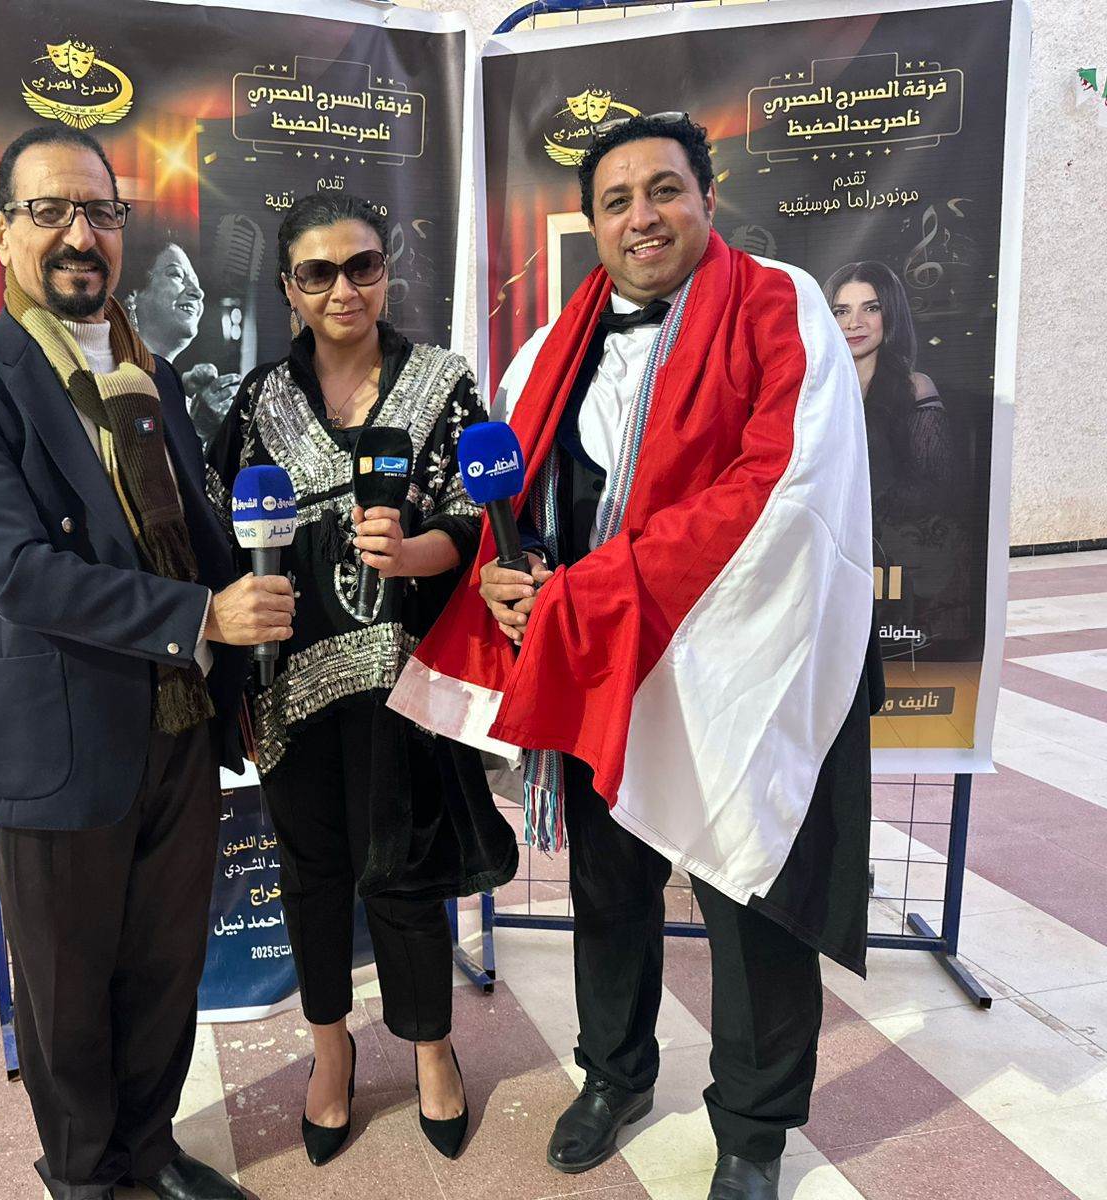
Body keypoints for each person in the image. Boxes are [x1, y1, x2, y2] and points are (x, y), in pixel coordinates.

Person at [388, 116, 881, 1200]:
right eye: (617, 201)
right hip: (604, 669)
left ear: (707, 198)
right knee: (609, 890)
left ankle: (752, 1131)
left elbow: (781, 490)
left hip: (743, 667)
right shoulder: (547, 348)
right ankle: (614, 1075)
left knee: (749, 899)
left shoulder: (781, 304)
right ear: (593, 224)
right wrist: (509, 580)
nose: (642, 216)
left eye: (664, 190)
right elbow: (516, 511)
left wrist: (589, 593)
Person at [0, 125, 295, 1200]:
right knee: (67, 994)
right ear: (2, 233)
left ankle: (150, 1151)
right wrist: (202, 615)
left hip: (178, 728)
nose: (80, 235)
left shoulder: (146, 375)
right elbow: (17, 573)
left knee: (165, 972)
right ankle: (85, 1178)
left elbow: (192, 532)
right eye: (50, 211)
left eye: (101, 213)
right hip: (62, 742)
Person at [206, 191, 517, 1167]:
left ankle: (430, 1049)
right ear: (288, 288)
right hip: (288, 686)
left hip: (404, 679)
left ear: (386, 272)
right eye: (318, 272)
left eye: (363, 266)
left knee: (404, 870)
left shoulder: (441, 383)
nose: (344, 289)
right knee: (311, 874)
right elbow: (218, 530)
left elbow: (473, 521)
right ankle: (330, 1051)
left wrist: (415, 553)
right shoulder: (260, 402)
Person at [826, 260, 972, 651]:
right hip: (826, 552)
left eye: (871, 308)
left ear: (890, 314)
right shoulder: (812, 389)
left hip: (897, 563)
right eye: (841, 311)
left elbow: (939, 489)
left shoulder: (914, 388)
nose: (854, 322)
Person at [121, 228, 240, 447]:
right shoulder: (114, 380)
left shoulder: (180, 394)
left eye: (196, 282)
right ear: (133, 295)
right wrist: (198, 428)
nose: (198, 292)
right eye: (176, 274)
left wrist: (180, 390)